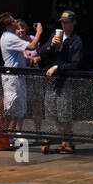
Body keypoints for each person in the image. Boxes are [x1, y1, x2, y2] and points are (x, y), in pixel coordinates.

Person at [38, 10, 85, 154]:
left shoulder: (76, 40)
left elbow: (76, 63)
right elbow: (42, 53)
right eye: (62, 22)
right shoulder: (55, 35)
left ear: (73, 23)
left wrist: (57, 67)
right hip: (51, 81)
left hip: (65, 81)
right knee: (52, 112)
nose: (64, 25)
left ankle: (68, 142)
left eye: (67, 22)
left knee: (65, 113)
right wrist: (50, 45)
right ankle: (58, 141)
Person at [0, 13, 34, 149]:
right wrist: (39, 32)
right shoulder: (9, 37)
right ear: (8, 25)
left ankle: (15, 135)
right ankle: (5, 137)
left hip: (19, 75)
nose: (16, 21)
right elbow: (32, 47)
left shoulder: (12, 36)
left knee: (20, 107)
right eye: (13, 21)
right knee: (10, 108)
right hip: (12, 77)